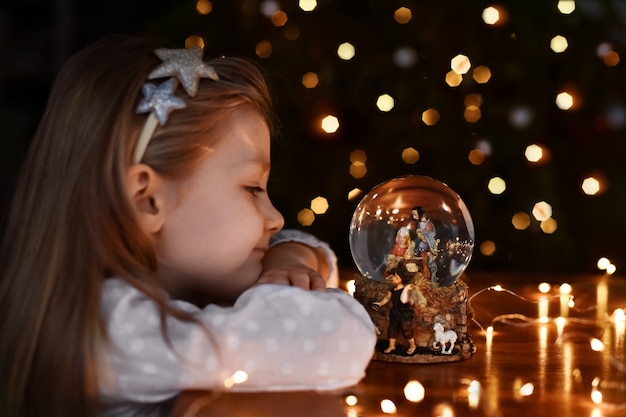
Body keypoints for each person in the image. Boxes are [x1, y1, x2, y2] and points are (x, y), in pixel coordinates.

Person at [0, 36, 376, 417]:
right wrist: (295, 273)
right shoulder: (111, 328)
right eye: (252, 189)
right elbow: (338, 339)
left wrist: (289, 257)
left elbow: (307, 247)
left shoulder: (167, 297)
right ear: (147, 199)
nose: (276, 219)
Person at [372, 260, 420, 355]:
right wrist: (380, 303)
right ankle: (391, 345)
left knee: (407, 331)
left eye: (396, 277)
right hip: (395, 312)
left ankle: (412, 345)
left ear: (402, 279)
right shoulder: (392, 290)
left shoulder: (406, 290)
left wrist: (406, 289)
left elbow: (403, 300)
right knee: (392, 329)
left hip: (404, 313)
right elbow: (387, 298)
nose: (393, 278)